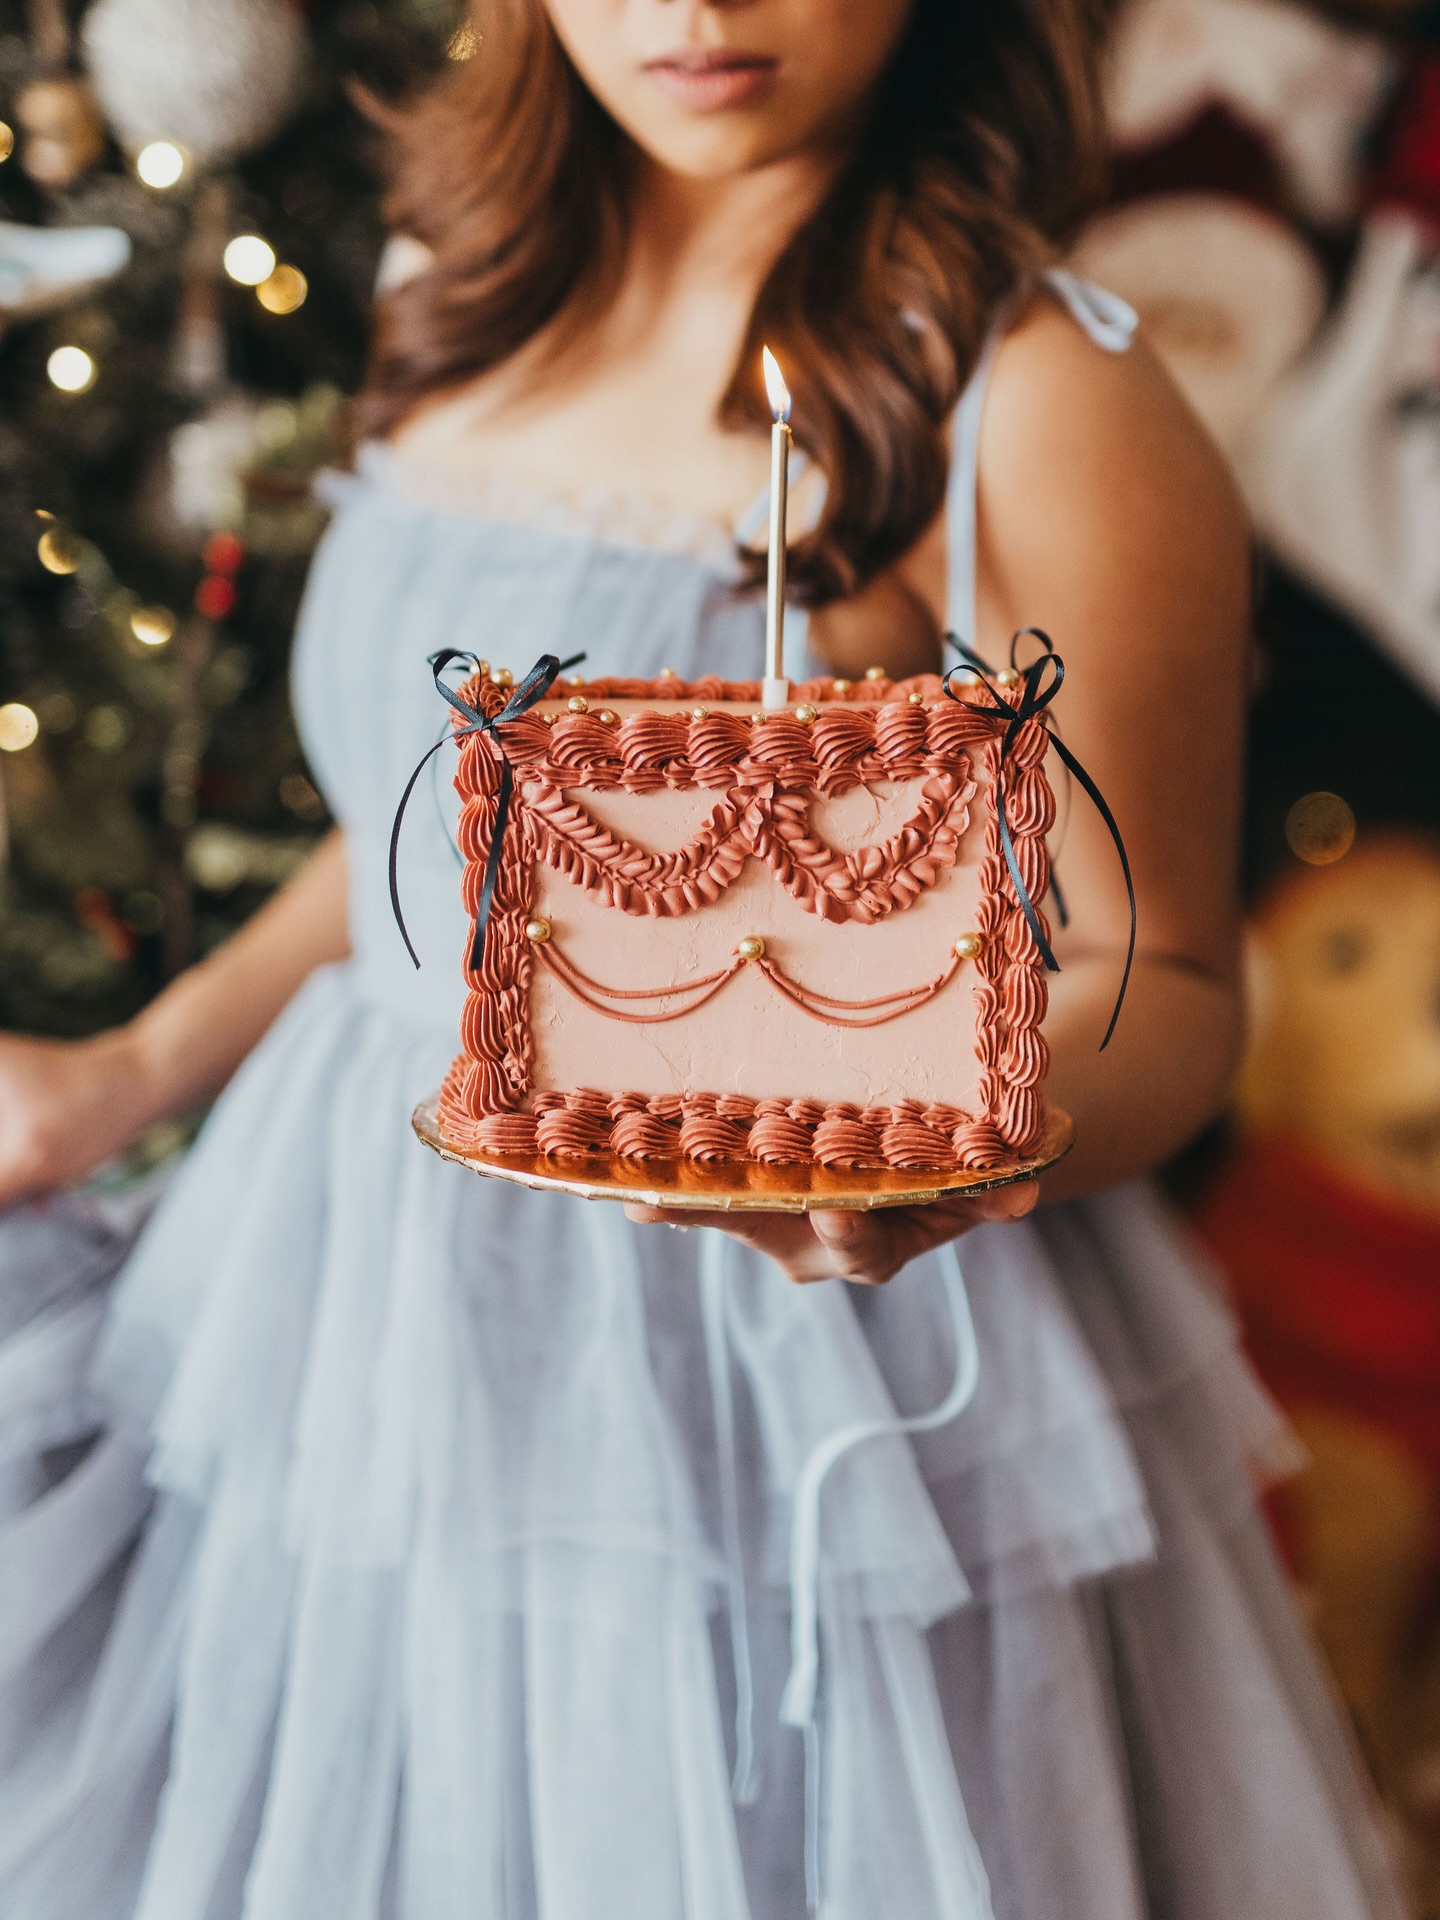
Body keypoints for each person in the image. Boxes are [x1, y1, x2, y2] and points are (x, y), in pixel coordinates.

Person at [0, 2, 1407, 1916]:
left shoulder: (1035, 397)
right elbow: (457, 838)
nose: (697, 10)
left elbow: (1166, 994)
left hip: (767, 1396)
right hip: (332, 1313)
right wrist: (136, 1066)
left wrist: (942, 1144)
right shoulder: (460, 285)